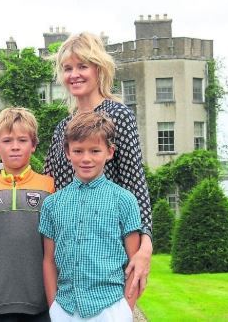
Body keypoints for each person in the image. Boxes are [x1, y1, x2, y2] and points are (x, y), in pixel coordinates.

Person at [43, 32, 152, 296]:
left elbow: (134, 184)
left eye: (82, 66)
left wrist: (145, 247)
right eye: (68, 68)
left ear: (98, 69)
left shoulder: (119, 117)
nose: (74, 74)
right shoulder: (62, 129)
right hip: (72, 257)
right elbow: (48, 185)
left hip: (110, 250)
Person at [40, 111, 141, 321]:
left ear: (109, 152)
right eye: (78, 151)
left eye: (95, 150)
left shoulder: (124, 200)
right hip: (65, 309)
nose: (86, 158)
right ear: (67, 152)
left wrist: (125, 309)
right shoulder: (52, 204)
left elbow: (135, 262)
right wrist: (53, 307)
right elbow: (49, 260)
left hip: (110, 308)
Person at [0, 107, 55, 322]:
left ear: (34, 145)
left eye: (23, 140)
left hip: (40, 300)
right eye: (7, 141)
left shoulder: (49, 188)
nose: (15, 147)